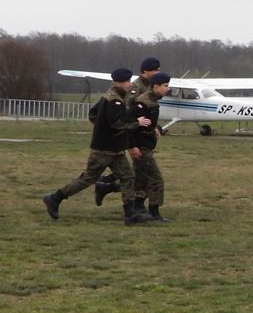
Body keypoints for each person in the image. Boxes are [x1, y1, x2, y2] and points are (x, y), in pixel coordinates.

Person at [41, 68, 152, 225]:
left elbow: (93, 114)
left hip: (114, 149)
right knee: (88, 178)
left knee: (128, 177)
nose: (130, 84)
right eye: (127, 81)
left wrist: (101, 128)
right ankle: (55, 198)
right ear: (120, 82)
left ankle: (130, 213)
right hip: (104, 150)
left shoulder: (109, 96)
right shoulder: (115, 101)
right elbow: (117, 123)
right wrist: (136, 123)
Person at [93, 55, 164, 204]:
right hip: (134, 136)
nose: (158, 72)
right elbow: (126, 115)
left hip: (142, 136)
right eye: (155, 70)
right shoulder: (135, 88)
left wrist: (153, 127)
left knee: (139, 174)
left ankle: (110, 188)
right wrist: (131, 144)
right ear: (145, 71)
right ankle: (128, 201)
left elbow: (146, 113)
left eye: (159, 70)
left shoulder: (150, 86)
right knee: (142, 176)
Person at [124, 72, 172, 223]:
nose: (168, 89)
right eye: (165, 86)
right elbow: (127, 123)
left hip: (145, 145)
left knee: (141, 179)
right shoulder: (143, 102)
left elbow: (146, 122)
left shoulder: (152, 100)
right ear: (155, 86)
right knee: (156, 179)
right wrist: (133, 146)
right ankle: (154, 211)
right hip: (142, 147)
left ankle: (136, 207)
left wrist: (154, 128)